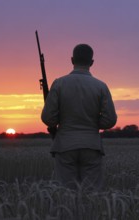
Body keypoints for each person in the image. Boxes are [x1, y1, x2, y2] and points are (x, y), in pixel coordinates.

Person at [41, 44, 117, 191]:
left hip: (65, 146)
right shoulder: (101, 86)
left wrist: (60, 121)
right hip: (91, 146)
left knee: (66, 194)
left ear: (72, 60)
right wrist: (93, 124)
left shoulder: (59, 83)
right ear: (92, 62)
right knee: (92, 195)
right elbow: (110, 120)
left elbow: (48, 118)